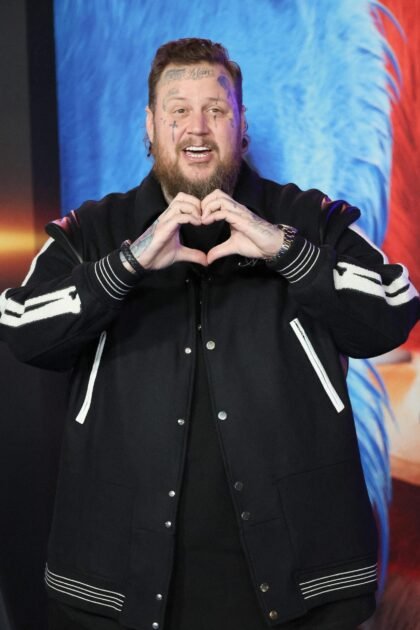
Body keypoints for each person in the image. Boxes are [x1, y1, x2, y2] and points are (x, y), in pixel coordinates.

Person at [0, 38, 418, 630]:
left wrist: (287, 252)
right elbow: (22, 326)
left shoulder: (309, 218)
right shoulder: (92, 231)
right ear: (150, 126)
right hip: (119, 578)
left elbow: (395, 306)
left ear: (241, 126)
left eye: (216, 109)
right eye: (178, 110)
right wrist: (127, 265)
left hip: (299, 583)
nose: (197, 127)